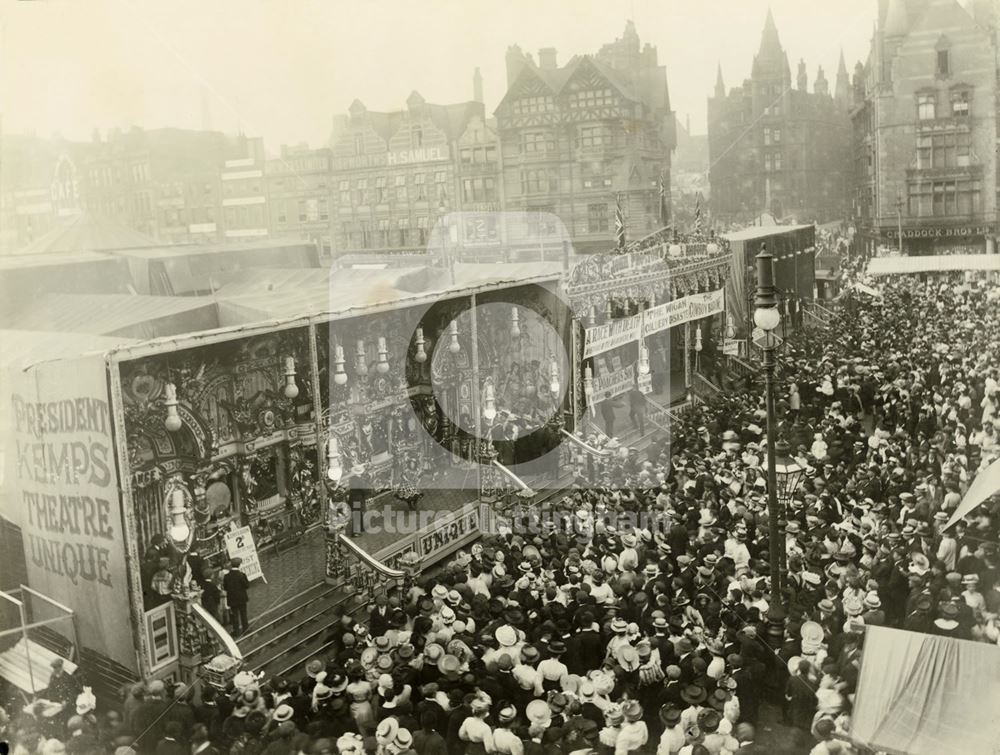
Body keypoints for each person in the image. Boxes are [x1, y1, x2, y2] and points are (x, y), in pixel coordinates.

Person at [223, 558, 250, 637]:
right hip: (241, 598)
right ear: (239, 565)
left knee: (234, 615)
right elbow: (246, 585)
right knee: (243, 614)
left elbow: (225, 587)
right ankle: (246, 629)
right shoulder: (241, 575)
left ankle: (236, 631)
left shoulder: (226, 576)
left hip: (232, 599)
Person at [347, 463, 371, 537]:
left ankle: (361, 528)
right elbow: (365, 490)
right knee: (357, 514)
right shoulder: (360, 480)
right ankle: (356, 532)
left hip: (353, 499)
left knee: (358, 514)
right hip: (358, 500)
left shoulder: (352, 479)